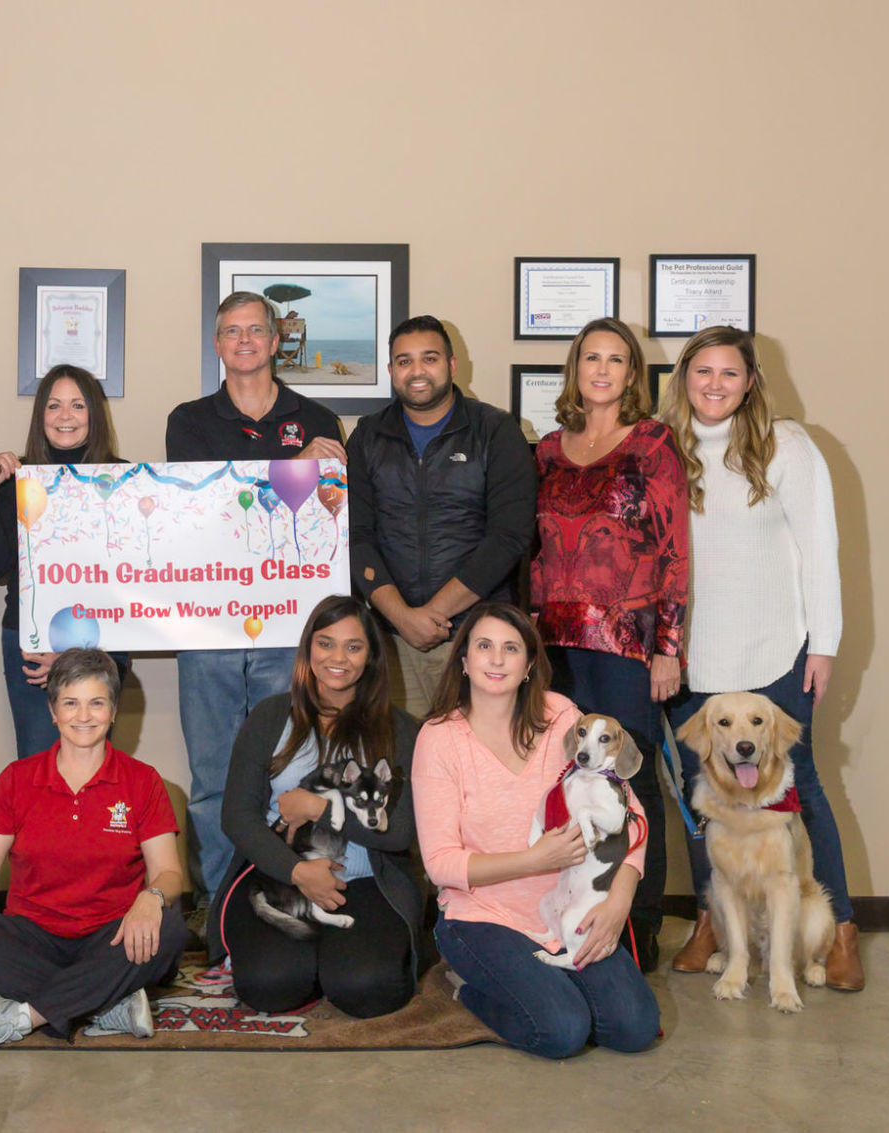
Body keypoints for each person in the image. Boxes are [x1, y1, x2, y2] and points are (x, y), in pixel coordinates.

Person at [659, 326, 860, 988]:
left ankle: (841, 936)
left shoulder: (787, 447)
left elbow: (819, 553)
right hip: (694, 654)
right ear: (684, 377)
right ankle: (714, 920)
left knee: (799, 784)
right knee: (703, 792)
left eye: (729, 373)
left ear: (750, 381)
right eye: (702, 371)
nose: (714, 384)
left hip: (775, 648)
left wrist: (823, 644)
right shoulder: (663, 450)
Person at [415, 603, 659, 1058]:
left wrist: (619, 901)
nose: (496, 659)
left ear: (529, 665)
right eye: (483, 646)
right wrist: (534, 860)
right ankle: (466, 991)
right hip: (483, 915)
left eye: (511, 648)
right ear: (464, 660)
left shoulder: (562, 716)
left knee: (634, 1028)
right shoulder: (439, 738)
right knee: (562, 1031)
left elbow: (633, 814)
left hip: (570, 907)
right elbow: (440, 863)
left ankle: (544, 984)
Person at [165, 290, 345, 900]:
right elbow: (208, 511)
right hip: (208, 627)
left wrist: (326, 469)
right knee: (215, 780)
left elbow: (328, 522)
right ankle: (222, 915)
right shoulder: (187, 421)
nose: (244, 340)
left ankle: (286, 901)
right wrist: (295, 464)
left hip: (286, 626)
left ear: (274, 342)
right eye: (230, 331)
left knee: (288, 775)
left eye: (255, 330)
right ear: (218, 346)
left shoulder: (319, 421)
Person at [0, 649, 187, 1051]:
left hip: (113, 935)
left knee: (169, 927)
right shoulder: (17, 779)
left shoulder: (143, 781)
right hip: (33, 938)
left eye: (96, 703)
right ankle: (105, 1002)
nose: (83, 716)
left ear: (113, 710)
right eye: (70, 703)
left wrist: (150, 898)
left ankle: (21, 1017)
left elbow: (169, 874)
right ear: (53, 711)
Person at [530, 316, 686, 971]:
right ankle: (570, 912)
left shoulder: (652, 443)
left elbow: (675, 549)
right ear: (575, 370)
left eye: (615, 359)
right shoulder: (544, 450)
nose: (601, 369)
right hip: (555, 646)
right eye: (589, 357)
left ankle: (635, 929)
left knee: (632, 784)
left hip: (627, 643)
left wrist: (669, 646)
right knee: (566, 779)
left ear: (631, 373)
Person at [215, 595, 428, 1018]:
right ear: (308, 648)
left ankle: (342, 959)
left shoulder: (401, 729)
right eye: (326, 643)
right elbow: (236, 816)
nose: (338, 658)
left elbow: (399, 833)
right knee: (269, 988)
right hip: (281, 875)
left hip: (367, 882)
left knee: (368, 991)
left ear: (371, 657)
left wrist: (317, 808)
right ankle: (310, 962)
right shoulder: (271, 716)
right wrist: (296, 872)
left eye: (354, 647)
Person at [348, 314, 537, 719]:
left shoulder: (496, 430)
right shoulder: (367, 436)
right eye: (404, 361)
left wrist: (433, 614)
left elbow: (509, 537)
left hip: (477, 637)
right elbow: (356, 535)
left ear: (452, 365)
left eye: (429, 359)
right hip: (391, 641)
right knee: (403, 767)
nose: (416, 371)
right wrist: (402, 617)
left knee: (481, 764)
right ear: (390, 371)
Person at [0, 364, 129, 759]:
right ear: (40, 414)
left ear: (94, 414)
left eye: (77, 405)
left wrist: (81, 658)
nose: (65, 416)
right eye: (54, 405)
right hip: (29, 646)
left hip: (105, 644)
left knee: (93, 765)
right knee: (37, 764)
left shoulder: (124, 478)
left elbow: (131, 580)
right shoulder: (14, 478)